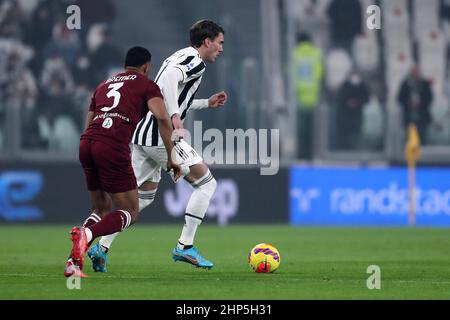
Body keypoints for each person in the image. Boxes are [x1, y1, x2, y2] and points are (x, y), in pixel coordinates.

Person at [89, 19, 227, 272]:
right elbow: (170, 83)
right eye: (219, 43)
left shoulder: (182, 56)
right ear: (207, 41)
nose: (221, 48)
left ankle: (100, 245)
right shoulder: (194, 61)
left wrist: (206, 103)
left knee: (139, 199)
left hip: (142, 136)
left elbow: (167, 92)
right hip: (160, 137)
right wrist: (174, 117)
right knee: (207, 184)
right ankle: (185, 247)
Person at [64, 46, 180, 278]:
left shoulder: (104, 85)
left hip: (87, 143)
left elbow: (89, 122)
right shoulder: (147, 85)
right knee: (130, 211)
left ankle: (73, 263)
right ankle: (87, 236)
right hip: (112, 145)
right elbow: (161, 117)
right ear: (146, 66)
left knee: (101, 208)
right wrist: (171, 156)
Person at [397, 65, 433, 145]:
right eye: (413, 71)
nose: (415, 73)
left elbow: (429, 98)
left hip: (422, 115)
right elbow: (399, 98)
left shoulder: (424, 84)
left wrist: (420, 103)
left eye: (417, 71)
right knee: (409, 137)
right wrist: (408, 103)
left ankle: (423, 154)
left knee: (423, 137)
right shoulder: (405, 84)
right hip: (409, 115)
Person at [336, 71, 370, 150]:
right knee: (345, 133)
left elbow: (366, 98)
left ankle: (355, 148)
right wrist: (348, 103)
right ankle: (344, 149)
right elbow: (341, 98)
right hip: (345, 114)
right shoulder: (345, 85)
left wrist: (357, 103)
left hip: (357, 114)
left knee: (356, 132)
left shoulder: (362, 85)